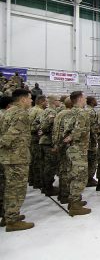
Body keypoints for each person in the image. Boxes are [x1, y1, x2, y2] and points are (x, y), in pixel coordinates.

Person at [0, 89, 34, 231]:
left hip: (9, 157)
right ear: (23, 99)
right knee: (17, 189)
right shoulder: (20, 113)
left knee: (9, 187)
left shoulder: (8, 111)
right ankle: (12, 221)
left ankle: (8, 216)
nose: (31, 101)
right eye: (30, 98)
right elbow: (9, 136)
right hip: (16, 158)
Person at [63, 91, 91, 216]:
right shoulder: (82, 113)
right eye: (84, 98)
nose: (85, 100)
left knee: (72, 175)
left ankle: (73, 200)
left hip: (71, 148)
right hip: (79, 149)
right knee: (80, 176)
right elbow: (78, 131)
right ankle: (74, 204)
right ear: (80, 99)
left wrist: (68, 138)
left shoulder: (69, 112)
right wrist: (73, 136)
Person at [38, 95, 61, 196]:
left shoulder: (45, 111)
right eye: (58, 100)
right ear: (53, 101)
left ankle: (46, 186)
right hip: (49, 141)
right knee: (50, 166)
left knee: (46, 165)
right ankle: (48, 187)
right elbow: (46, 126)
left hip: (45, 141)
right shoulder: (51, 112)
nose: (59, 102)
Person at [52, 97, 73, 204]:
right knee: (66, 170)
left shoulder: (60, 113)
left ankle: (62, 194)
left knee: (62, 169)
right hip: (65, 145)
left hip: (59, 144)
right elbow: (66, 131)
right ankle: (65, 195)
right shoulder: (69, 114)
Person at [0, 96, 13, 228]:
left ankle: (6, 215)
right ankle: (10, 218)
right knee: (10, 186)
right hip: (9, 155)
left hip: (5, 155)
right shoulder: (6, 116)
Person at [28, 95, 46, 189]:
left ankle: (31, 179)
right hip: (36, 138)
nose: (46, 103)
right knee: (38, 161)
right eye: (45, 101)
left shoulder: (31, 109)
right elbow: (40, 125)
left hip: (30, 137)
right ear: (41, 102)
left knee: (32, 160)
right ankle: (37, 181)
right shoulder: (40, 111)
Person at [85, 96, 99, 187]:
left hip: (88, 140)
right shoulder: (90, 112)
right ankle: (89, 179)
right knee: (92, 160)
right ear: (91, 102)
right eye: (95, 99)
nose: (96, 101)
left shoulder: (88, 110)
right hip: (91, 141)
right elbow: (92, 128)